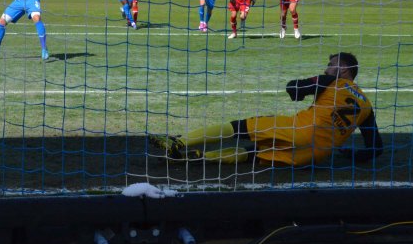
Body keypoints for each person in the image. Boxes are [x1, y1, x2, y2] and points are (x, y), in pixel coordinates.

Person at [151, 52, 383, 166]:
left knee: (241, 127)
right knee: (255, 154)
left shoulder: (332, 80)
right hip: (315, 154)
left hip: (300, 129)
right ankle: (199, 157)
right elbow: (375, 149)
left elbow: (294, 89)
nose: (327, 67)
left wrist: (300, 88)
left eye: (331, 65)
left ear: (343, 68)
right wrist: (349, 154)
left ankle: (179, 143)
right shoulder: (366, 105)